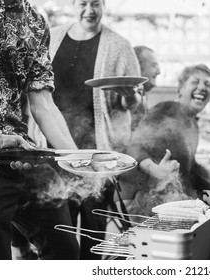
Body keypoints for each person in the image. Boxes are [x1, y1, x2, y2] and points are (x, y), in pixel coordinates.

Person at [0, 0, 79, 259]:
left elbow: (43, 105)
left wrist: (78, 158)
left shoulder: (34, 20)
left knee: (65, 249)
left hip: (20, 152)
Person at [48, 0, 141, 259]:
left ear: (104, 5)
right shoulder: (51, 37)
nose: (89, 10)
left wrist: (130, 96)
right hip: (55, 153)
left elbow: (131, 104)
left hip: (98, 157)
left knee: (93, 235)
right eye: (83, 3)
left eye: (96, 3)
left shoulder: (119, 45)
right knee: (57, 235)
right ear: (72, 4)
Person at [118, 64, 210, 217]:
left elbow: (188, 173)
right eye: (195, 82)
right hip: (145, 199)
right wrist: (155, 170)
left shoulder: (193, 124)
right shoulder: (166, 109)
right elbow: (134, 147)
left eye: (207, 84)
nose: (202, 87)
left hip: (173, 200)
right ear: (181, 88)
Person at [131, 46, 161, 131]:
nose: (159, 71)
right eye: (153, 65)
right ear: (137, 67)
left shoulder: (142, 97)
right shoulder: (129, 99)